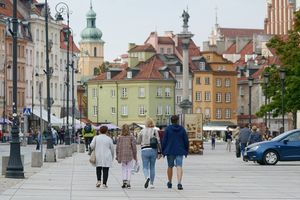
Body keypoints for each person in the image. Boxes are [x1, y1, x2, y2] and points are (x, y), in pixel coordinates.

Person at [162, 115, 189, 190]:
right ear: (177, 121)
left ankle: (170, 182)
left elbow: (164, 140)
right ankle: (179, 183)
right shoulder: (182, 129)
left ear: (171, 121)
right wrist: (186, 151)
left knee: (170, 166)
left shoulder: (167, 129)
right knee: (179, 166)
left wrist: (163, 151)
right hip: (180, 150)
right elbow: (186, 140)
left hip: (170, 150)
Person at [137, 118, 161, 189]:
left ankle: (147, 177)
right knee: (152, 167)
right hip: (153, 150)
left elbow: (138, 141)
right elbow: (158, 141)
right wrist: (160, 151)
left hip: (144, 150)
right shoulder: (155, 130)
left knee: (145, 167)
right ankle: (151, 184)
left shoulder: (142, 131)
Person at [116, 124, 137, 189]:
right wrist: (135, 155)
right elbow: (134, 147)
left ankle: (124, 181)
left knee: (124, 168)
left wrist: (117, 155)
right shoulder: (131, 137)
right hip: (129, 154)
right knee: (129, 169)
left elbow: (117, 147)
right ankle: (128, 182)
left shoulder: (120, 137)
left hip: (122, 155)